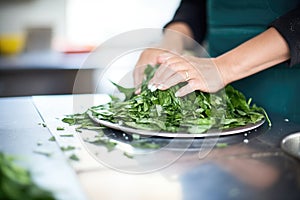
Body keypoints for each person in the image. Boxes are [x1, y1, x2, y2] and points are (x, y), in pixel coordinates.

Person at [134, 0, 300, 121]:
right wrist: (171, 41)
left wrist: (223, 67)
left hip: (286, 93)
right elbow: (195, 5)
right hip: (216, 88)